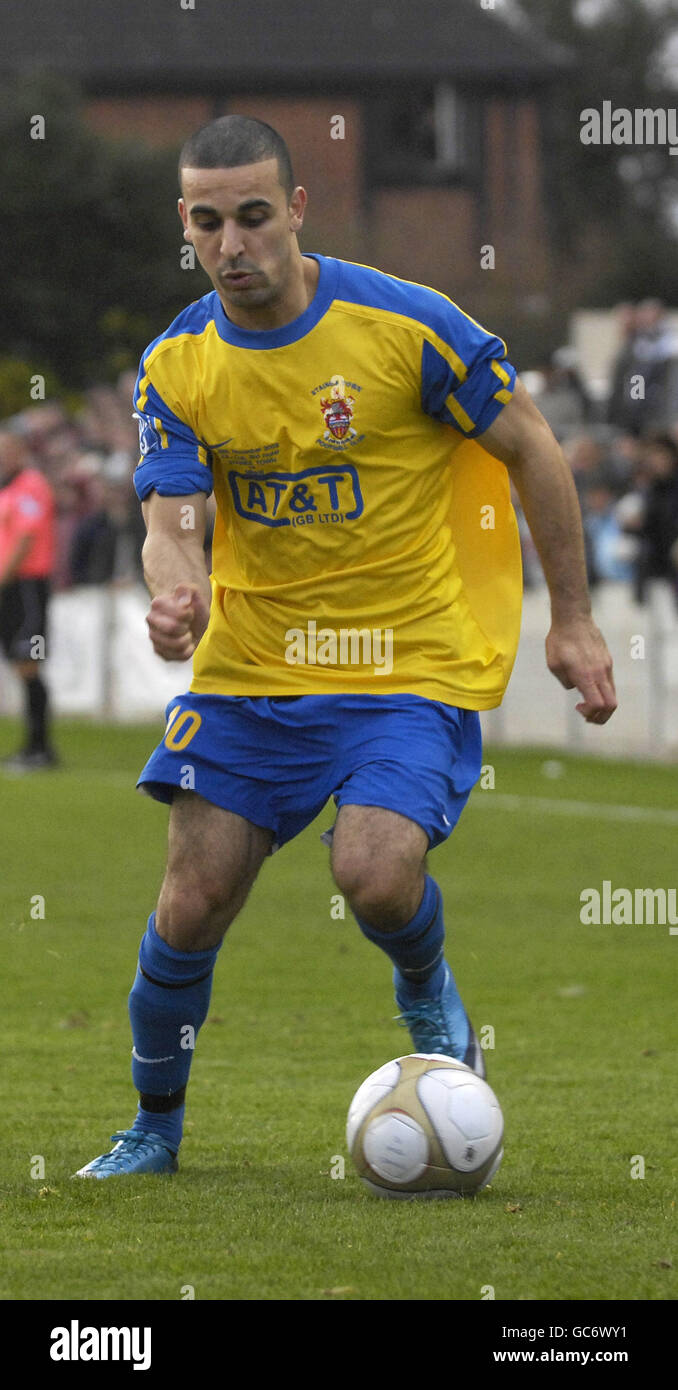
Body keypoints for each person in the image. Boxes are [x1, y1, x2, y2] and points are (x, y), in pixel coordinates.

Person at [75, 115, 617, 1179]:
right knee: (189, 901)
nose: (232, 243)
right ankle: (155, 1128)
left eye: (254, 216)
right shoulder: (177, 363)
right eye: (207, 221)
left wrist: (574, 616)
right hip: (252, 670)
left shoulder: (406, 326)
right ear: (184, 224)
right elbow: (170, 525)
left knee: (373, 871)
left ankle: (424, 983)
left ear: (297, 210)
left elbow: (532, 444)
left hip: (401, 665)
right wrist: (177, 596)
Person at [0, 429, 58, 770]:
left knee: (28, 661)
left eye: (8, 448)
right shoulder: (8, 487)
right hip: (11, 589)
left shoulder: (30, 484)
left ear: (21, 450)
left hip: (26, 587)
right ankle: (33, 746)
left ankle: (40, 747)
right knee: (17, 662)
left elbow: (25, 536)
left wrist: (3, 579)